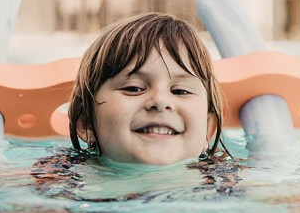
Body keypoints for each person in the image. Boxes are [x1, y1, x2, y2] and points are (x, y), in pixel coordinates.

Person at [66, 12, 229, 165]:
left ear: (208, 129)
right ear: (87, 123)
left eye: (180, 91)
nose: (160, 101)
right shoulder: (58, 181)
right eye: (134, 88)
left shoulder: (230, 185)